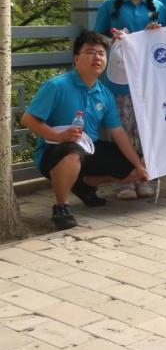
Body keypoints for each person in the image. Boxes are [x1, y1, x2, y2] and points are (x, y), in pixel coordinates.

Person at [21, 31, 149, 229]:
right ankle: (61, 207)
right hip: (54, 150)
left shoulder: (104, 94)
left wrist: (138, 164)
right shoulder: (56, 86)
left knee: (139, 165)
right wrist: (58, 136)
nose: (97, 58)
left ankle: (84, 185)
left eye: (101, 53)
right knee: (72, 152)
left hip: (89, 148)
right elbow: (28, 119)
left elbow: (118, 133)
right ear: (76, 58)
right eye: (90, 52)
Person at [93, 0, 166, 201]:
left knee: (147, 129)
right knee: (123, 130)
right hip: (119, 80)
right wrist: (113, 40)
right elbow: (97, 37)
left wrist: (157, 32)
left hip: (150, 80)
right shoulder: (109, 6)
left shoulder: (159, 7)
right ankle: (123, 181)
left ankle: (146, 177)